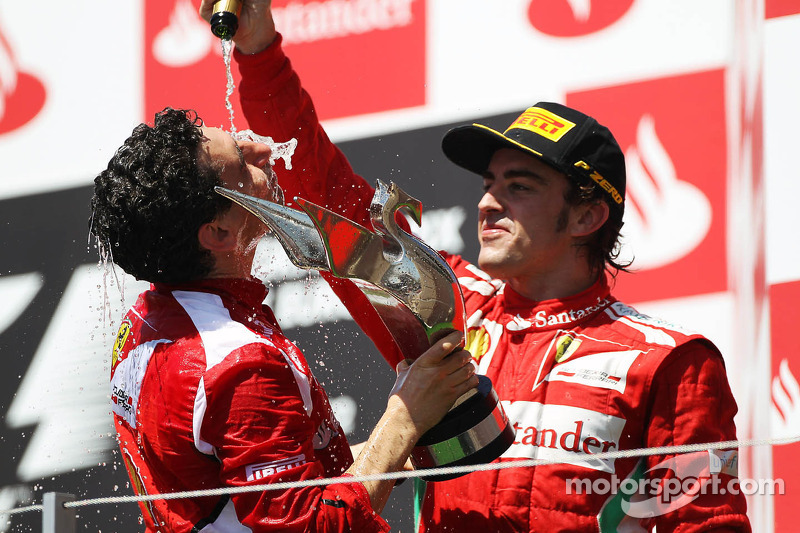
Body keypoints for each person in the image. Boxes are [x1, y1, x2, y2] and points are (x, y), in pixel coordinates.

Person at [203, 1, 753, 531]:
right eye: (489, 185)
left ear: (587, 215)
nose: (488, 203)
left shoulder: (668, 362)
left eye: (519, 187)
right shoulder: (444, 302)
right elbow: (326, 196)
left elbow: (707, 528)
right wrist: (258, 51)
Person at [90, 105, 479, 532]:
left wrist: (391, 450)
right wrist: (405, 416)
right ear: (218, 233)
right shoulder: (238, 362)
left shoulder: (147, 318)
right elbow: (311, 525)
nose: (261, 149)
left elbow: (245, 487)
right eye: (241, 162)